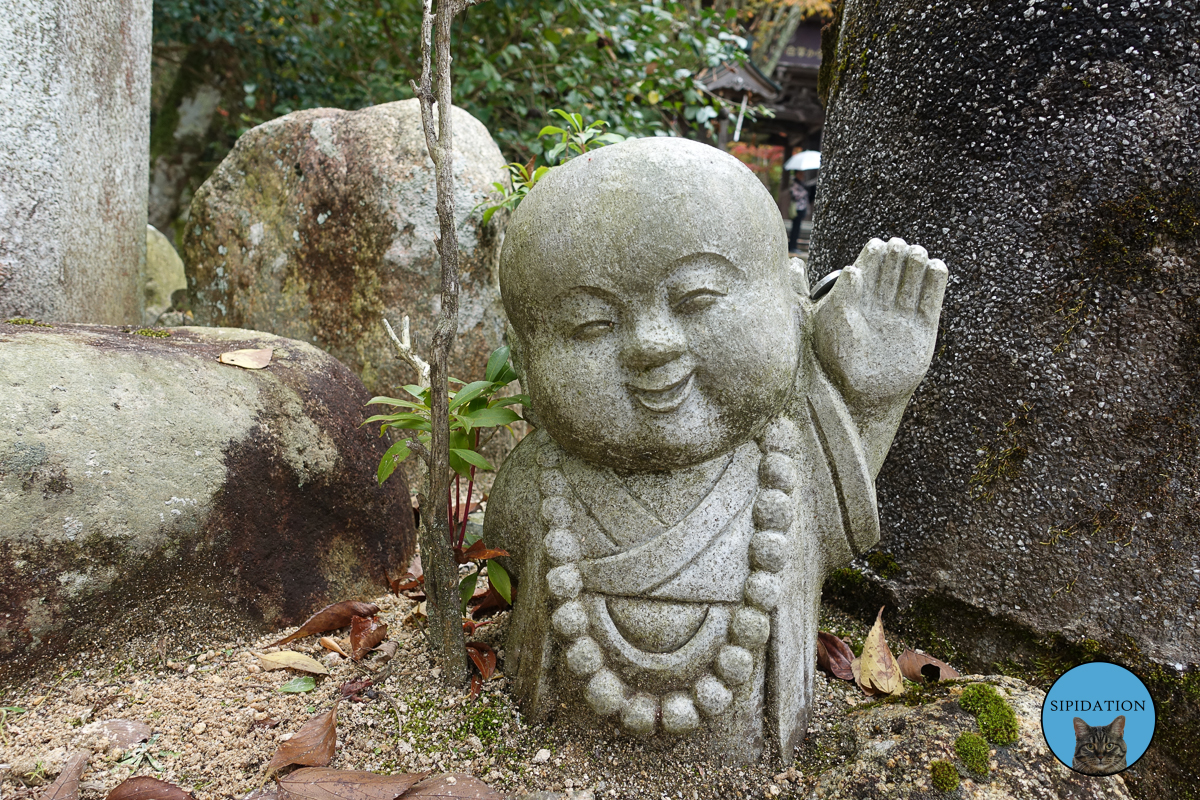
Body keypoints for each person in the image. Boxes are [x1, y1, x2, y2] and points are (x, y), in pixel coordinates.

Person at [486, 137, 947, 763]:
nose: (651, 345)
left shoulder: (785, 468)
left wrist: (872, 397)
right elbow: (509, 553)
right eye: (592, 324)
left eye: (698, 299)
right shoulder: (535, 485)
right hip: (559, 746)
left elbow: (838, 529)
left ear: (791, 304)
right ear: (527, 364)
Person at [787, 171, 810, 252]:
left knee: (797, 228)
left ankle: (794, 246)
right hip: (797, 208)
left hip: (802, 208)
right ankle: (792, 246)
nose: (802, 176)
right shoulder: (794, 184)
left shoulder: (802, 184)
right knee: (795, 228)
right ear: (797, 174)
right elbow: (795, 195)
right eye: (800, 174)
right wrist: (804, 193)